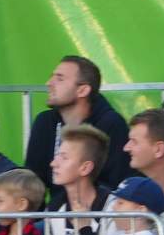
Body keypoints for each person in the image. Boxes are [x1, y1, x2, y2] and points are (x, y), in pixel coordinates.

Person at [25, 55, 130, 191]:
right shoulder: (44, 122)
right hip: (57, 204)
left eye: (60, 79)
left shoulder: (112, 124)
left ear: (83, 90)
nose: (49, 83)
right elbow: (34, 180)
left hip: (99, 204)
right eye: (52, 77)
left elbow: (116, 183)